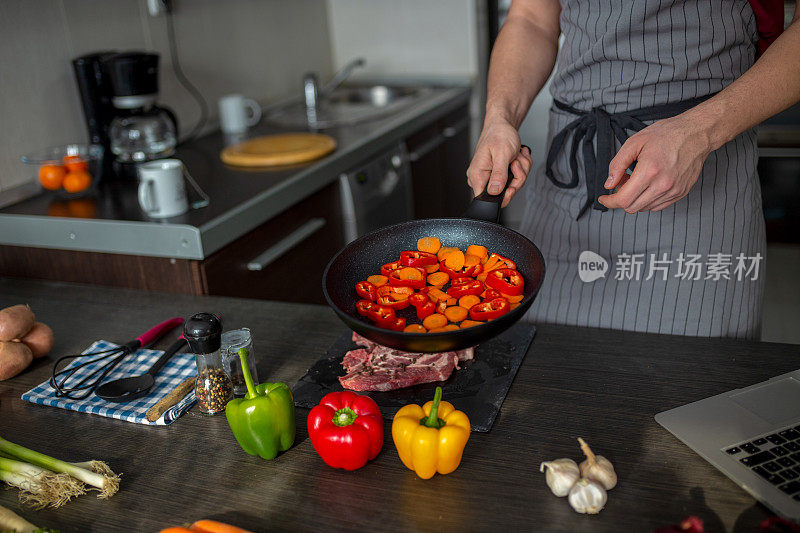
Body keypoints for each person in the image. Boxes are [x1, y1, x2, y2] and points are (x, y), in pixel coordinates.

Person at [467, 0, 800, 338]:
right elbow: (531, 19)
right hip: (567, 185)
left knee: (690, 379)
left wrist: (700, 132)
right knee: (540, 368)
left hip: (699, 182)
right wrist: (499, 117)